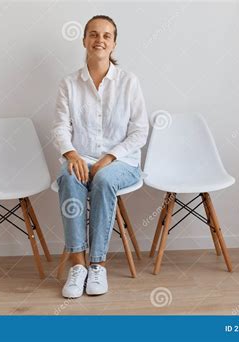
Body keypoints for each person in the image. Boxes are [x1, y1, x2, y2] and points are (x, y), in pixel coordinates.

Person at [52, 15, 149, 298]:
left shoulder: (129, 82)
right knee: (69, 179)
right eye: (93, 34)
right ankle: (78, 265)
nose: (100, 40)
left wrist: (109, 157)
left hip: (122, 162)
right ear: (84, 40)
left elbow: (140, 132)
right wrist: (71, 154)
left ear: (114, 43)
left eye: (106, 35)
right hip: (80, 157)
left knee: (104, 180)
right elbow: (59, 126)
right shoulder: (68, 83)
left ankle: (98, 265)